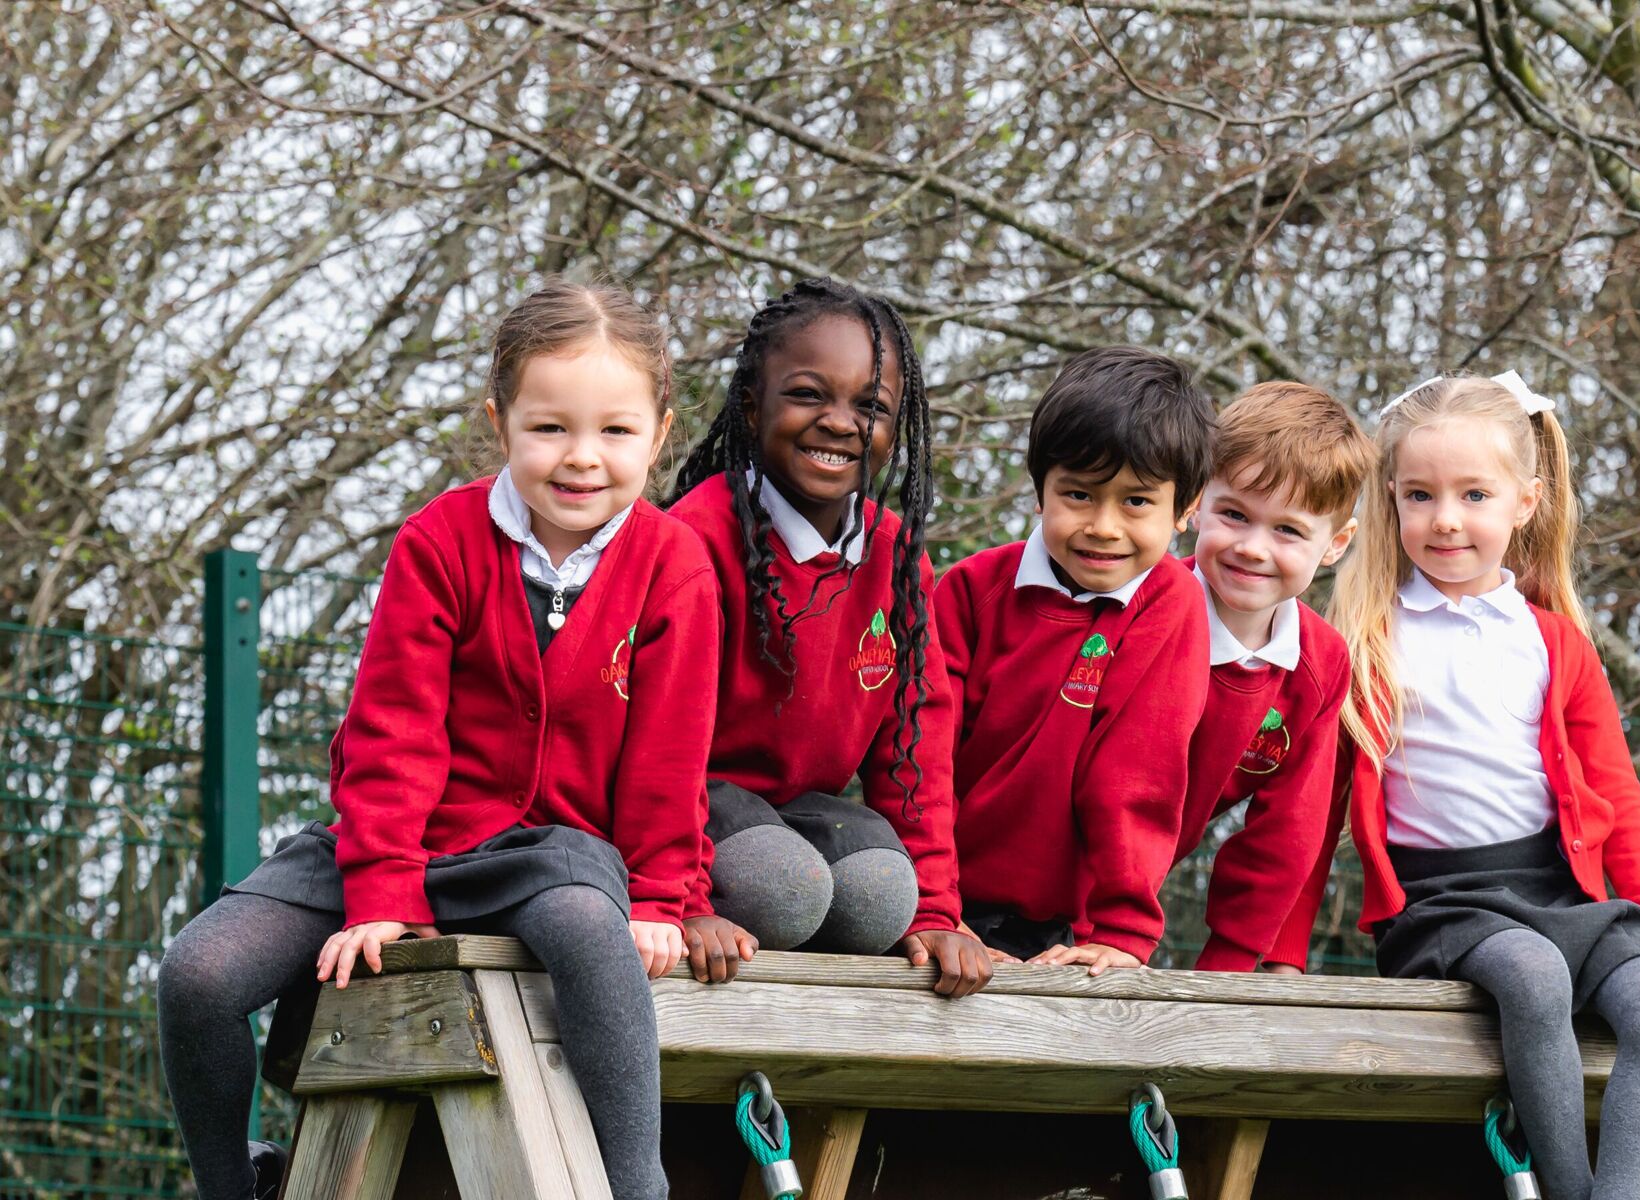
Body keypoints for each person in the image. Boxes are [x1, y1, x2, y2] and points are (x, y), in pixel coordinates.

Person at [158, 281, 715, 1200]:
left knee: (591, 932)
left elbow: (670, 752)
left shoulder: (673, 564)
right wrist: (381, 890)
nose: (582, 459)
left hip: (551, 854)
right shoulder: (441, 541)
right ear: (501, 424)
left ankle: (636, 1187)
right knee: (199, 973)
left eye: (616, 432)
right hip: (399, 838)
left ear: (659, 435)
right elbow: (391, 732)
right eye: (549, 429)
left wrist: (660, 893)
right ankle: (233, 1186)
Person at [1274, 371, 1640, 1200]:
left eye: (1474, 494)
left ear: (1525, 501)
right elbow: (1311, 813)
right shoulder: (1366, 641)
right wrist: (1284, 955)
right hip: (1442, 908)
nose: (1445, 520)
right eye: (1420, 495)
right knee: (1534, 976)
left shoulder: (1554, 643)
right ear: (1390, 502)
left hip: (1559, 892)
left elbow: (1622, 807)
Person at [668, 278, 989, 999]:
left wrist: (937, 912)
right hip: (688, 806)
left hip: (800, 809)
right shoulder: (693, 541)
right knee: (785, 890)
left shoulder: (896, 558)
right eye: (810, 395)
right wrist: (679, 899)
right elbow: (657, 747)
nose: (840, 423)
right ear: (753, 406)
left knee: (882, 894)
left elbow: (918, 750)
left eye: (870, 407)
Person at [937, 347, 1212, 971]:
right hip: (941, 904)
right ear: (1041, 491)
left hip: (1071, 931)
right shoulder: (970, 591)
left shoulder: (1169, 605)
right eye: (1080, 494)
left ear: (1185, 509)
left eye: (1137, 502)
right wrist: (935, 907)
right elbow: (927, 759)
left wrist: (1118, 932)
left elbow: (1138, 775)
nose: (1105, 526)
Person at [1173, 382, 1369, 971]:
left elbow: (1289, 829)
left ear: (1334, 544)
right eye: (1234, 514)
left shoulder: (1320, 666)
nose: (1253, 548)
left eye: (1287, 530)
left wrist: (1230, 966)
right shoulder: (1143, 608)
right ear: (1197, 503)